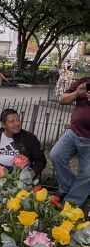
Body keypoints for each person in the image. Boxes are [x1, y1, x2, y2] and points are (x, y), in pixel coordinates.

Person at [50, 75, 90, 205]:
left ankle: (71, 203)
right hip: (74, 132)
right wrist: (77, 92)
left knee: (87, 172)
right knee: (56, 155)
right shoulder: (83, 81)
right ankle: (68, 189)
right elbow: (62, 100)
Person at [0, 108, 46, 180]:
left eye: (18, 120)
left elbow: (41, 161)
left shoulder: (29, 138)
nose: (17, 123)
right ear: (3, 125)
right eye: (12, 121)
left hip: (18, 177)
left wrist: (33, 172)